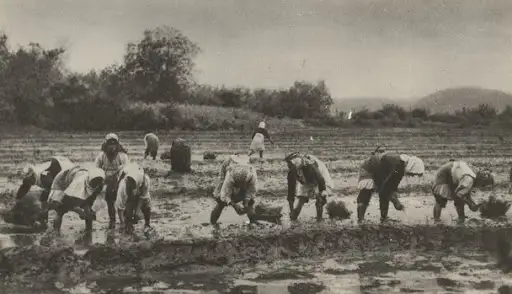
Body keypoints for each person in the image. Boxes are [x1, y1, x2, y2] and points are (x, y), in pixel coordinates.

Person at [357, 151, 425, 223]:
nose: (411, 176)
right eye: (412, 174)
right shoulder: (392, 161)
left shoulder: (401, 168)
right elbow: (381, 182)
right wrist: (395, 201)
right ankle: (361, 220)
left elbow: (392, 186)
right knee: (366, 192)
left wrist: (394, 198)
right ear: (411, 167)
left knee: (385, 194)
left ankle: (384, 218)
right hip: (369, 169)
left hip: (380, 172)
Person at [16, 156, 75, 226]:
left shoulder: (45, 178)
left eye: (29, 179)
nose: (28, 182)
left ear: (33, 175)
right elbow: (23, 189)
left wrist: (43, 211)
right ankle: (44, 221)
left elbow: (53, 192)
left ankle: (48, 224)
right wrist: (17, 203)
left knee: (58, 206)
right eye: (26, 179)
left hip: (68, 175)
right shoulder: (29, 178)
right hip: (60, 167)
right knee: (45, 200)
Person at [46, 166, 105, 233]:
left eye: (99, 181)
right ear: (90, 178)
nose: (96, 184)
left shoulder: (100, 185)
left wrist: (88, 210)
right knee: (60, 209)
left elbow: (91, 199)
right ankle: (55, 231)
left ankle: (88, 230)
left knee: (88, 212)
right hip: (63, 180)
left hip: (75, 176)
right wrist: (79, 211)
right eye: (95, 181)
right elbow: (66, 201)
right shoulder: (78, 183)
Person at [210, 155, 259, 226]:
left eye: (241, 185)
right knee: (220, 201)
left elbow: (251, 191)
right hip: (229, 163)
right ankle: (213, 223)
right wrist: (234, 205)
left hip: (243, 162)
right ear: (233, 181)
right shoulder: (229, 176)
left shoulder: (252, 177)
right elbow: (224, 195)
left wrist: (246, 202)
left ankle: (253, 222)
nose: (238, 187)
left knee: (250, 202)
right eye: (236, 184)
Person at [285, 152, 334, 222]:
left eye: (291, 163)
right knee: (301, 199)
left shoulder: (311, 165)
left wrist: (323, 191)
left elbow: (320, 179)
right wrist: (291, 210)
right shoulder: (292, 170)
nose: (290, 165)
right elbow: (290, 191)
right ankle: (293, 218)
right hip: (305, 179)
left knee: (320, 198)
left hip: (320, 177)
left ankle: (319, 221)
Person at [95, 133, 130, 229]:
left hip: (120, 179)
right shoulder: (101, 156)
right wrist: (101, 180)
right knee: (109, 200)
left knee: (123, 201)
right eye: (110, 144)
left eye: (114, 144)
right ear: (106, 145)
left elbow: (126, 170)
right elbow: (96, 169)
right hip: (106, 180)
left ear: (117, 145)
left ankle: (126, 219)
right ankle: (112, 219)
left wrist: (117, 181)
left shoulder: (122, 156)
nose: (112, 147)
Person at [115, 163, 152, 233]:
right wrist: (122, 222)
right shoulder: (123, 185)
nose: (131, 184)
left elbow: (143, 196)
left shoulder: (145, 180)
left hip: (140, 188)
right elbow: (120, 207)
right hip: (126, 190)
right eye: (130, 182)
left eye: (133, 183)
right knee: (128, 207)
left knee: (146, 202)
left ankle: (147, 224)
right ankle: (128, 224)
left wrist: (137, 212)